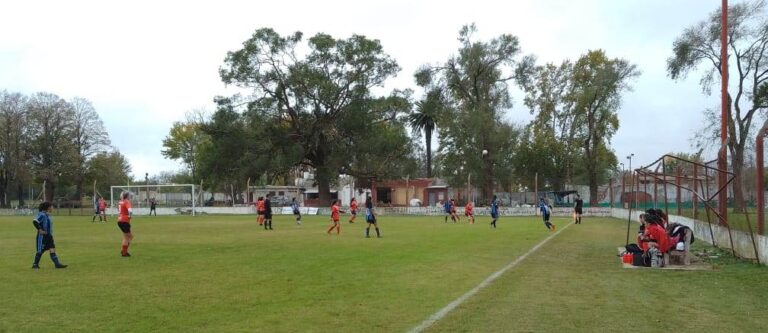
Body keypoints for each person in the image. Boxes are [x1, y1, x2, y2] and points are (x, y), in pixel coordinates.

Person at [32, 201, 67, 269]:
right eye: (51, 207)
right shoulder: (42, 215)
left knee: (52, 249)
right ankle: (35, 264)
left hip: (49, 236)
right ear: (48, 208)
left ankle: (57, 264)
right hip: (42, 237)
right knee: (40, 251)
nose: (52, 208)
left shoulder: (47, 215)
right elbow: (35, 221)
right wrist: (40, 230)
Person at [117, 191, 134, 257]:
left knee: (128, 236)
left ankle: (124, 251)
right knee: (128, 237)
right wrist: (129, 216)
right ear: (127, 196)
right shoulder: (127, 201)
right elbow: (130, 210)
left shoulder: (120, 202)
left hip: (119, 220)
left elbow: (119, 210)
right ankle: (124, 252)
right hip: (124, 221)